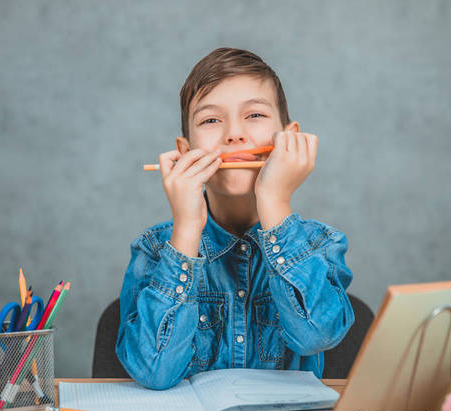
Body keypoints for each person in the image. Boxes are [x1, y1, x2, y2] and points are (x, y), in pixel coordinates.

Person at [117, 48, 354, 390]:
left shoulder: (321, 245)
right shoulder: (155, 250)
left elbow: (316, 335)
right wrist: (185, 228)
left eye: (254, 115)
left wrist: (274, 199)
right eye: (211, 120)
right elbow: (153, 371)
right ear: (184, 151)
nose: (234, 135)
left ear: (289, 139)